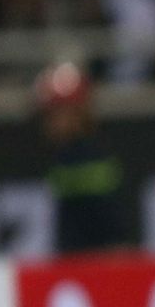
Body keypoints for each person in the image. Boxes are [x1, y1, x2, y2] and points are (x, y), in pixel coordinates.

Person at [36, 61, 130, 254]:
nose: (49, 122)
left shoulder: (85, 159)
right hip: (75, 269)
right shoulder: (66, 156)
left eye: (55, 113)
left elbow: (109, 224)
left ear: (77, 113)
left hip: (92, 269)